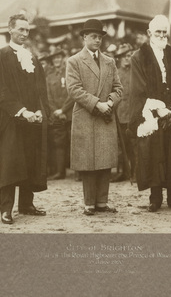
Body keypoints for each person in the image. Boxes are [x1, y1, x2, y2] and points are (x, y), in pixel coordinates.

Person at [128, 15, 171, 212]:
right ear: (149, 33)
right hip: (152, 111)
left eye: (164, 32)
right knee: (154, 154)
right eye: (157, 32)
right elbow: (137, 87)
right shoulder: (138, 57)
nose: (161, 35)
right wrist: (157, 109)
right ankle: (155, 198)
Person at [0, 14, 50, 225]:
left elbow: (41, 88)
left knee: (30, 160)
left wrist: (40, 110)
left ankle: (26, 204)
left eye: (26, 30)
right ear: (10, 29)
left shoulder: (32, 57)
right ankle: (6, 209)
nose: (24, 34)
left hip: (31, 119)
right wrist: (22, 111)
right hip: (10, 119)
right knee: (10, 163)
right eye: (20, 29)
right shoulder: (0, 56)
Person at [66, 19, 123, 215]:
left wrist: (109, 102)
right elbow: (73, 89)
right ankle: (89, 203)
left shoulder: (110, 61)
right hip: (87, 116)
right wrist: (96, 103)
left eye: (99, 37)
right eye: (93, 36)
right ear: (84, 38)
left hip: (105, 116)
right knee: (88, 162)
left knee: (105, 160)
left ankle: (102, 202)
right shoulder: (74, 61)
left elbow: (119, 88)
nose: (97, 40)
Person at [45, 48, 74, 180]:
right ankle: (60, 171)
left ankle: (78, 172)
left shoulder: (70, 74)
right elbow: (48, 97)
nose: (57, 60)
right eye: (54, 58)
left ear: (63, 59)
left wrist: (63, 110)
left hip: (70, 113)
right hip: (56, 114)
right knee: (58, 143)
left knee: (74, 142)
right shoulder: (49, 77)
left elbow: (73, 93)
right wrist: (56, 111)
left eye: (59, 58)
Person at [112, 43, 136, 183]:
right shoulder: (116, 73)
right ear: (119, 58)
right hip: (119, 113)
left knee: (134, 145)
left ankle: (135, 172)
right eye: (125, 56)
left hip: (132, 114)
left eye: (129, 56)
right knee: (121, 145)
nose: (128, 59)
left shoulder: (135, 72)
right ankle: (122, 172)